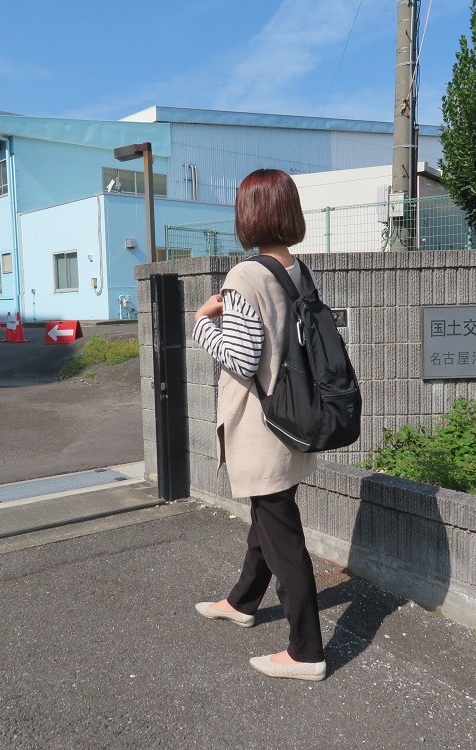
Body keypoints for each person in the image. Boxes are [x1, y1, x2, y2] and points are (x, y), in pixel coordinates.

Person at [192, 168, 326, 682]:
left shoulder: (245, 276)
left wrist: (202, 321)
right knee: (268, 517)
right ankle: (242, 601)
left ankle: (306, 651)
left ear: (249, 216)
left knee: (281, 535)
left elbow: (241, 359)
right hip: (294, 418)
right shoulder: (297, 270)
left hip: (260, 425)